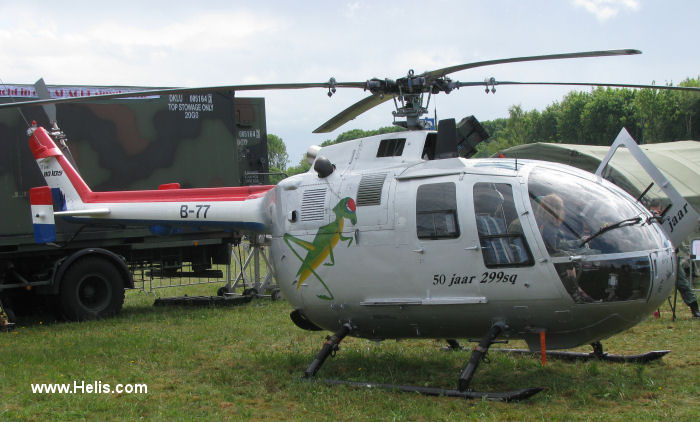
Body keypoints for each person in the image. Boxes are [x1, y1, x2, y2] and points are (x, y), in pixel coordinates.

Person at [534, 194, 593, 303]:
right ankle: (575, 292)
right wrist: (578, 243)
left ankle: (577, 291)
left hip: (543, 257)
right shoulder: (548, 226)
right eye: (560, 207)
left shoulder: (541, 222)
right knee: (567, 259)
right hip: (546, 260)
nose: (562, 211)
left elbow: (556, 244)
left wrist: (578, 242)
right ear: (554, 209)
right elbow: (554, 247)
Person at [648, 199, 700, 319]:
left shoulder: (663, 221)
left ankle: (694, 308)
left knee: (681, 283)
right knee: (680, 284)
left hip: (667, 255)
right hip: (660, 256)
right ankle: (694, 309)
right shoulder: (650, 220)